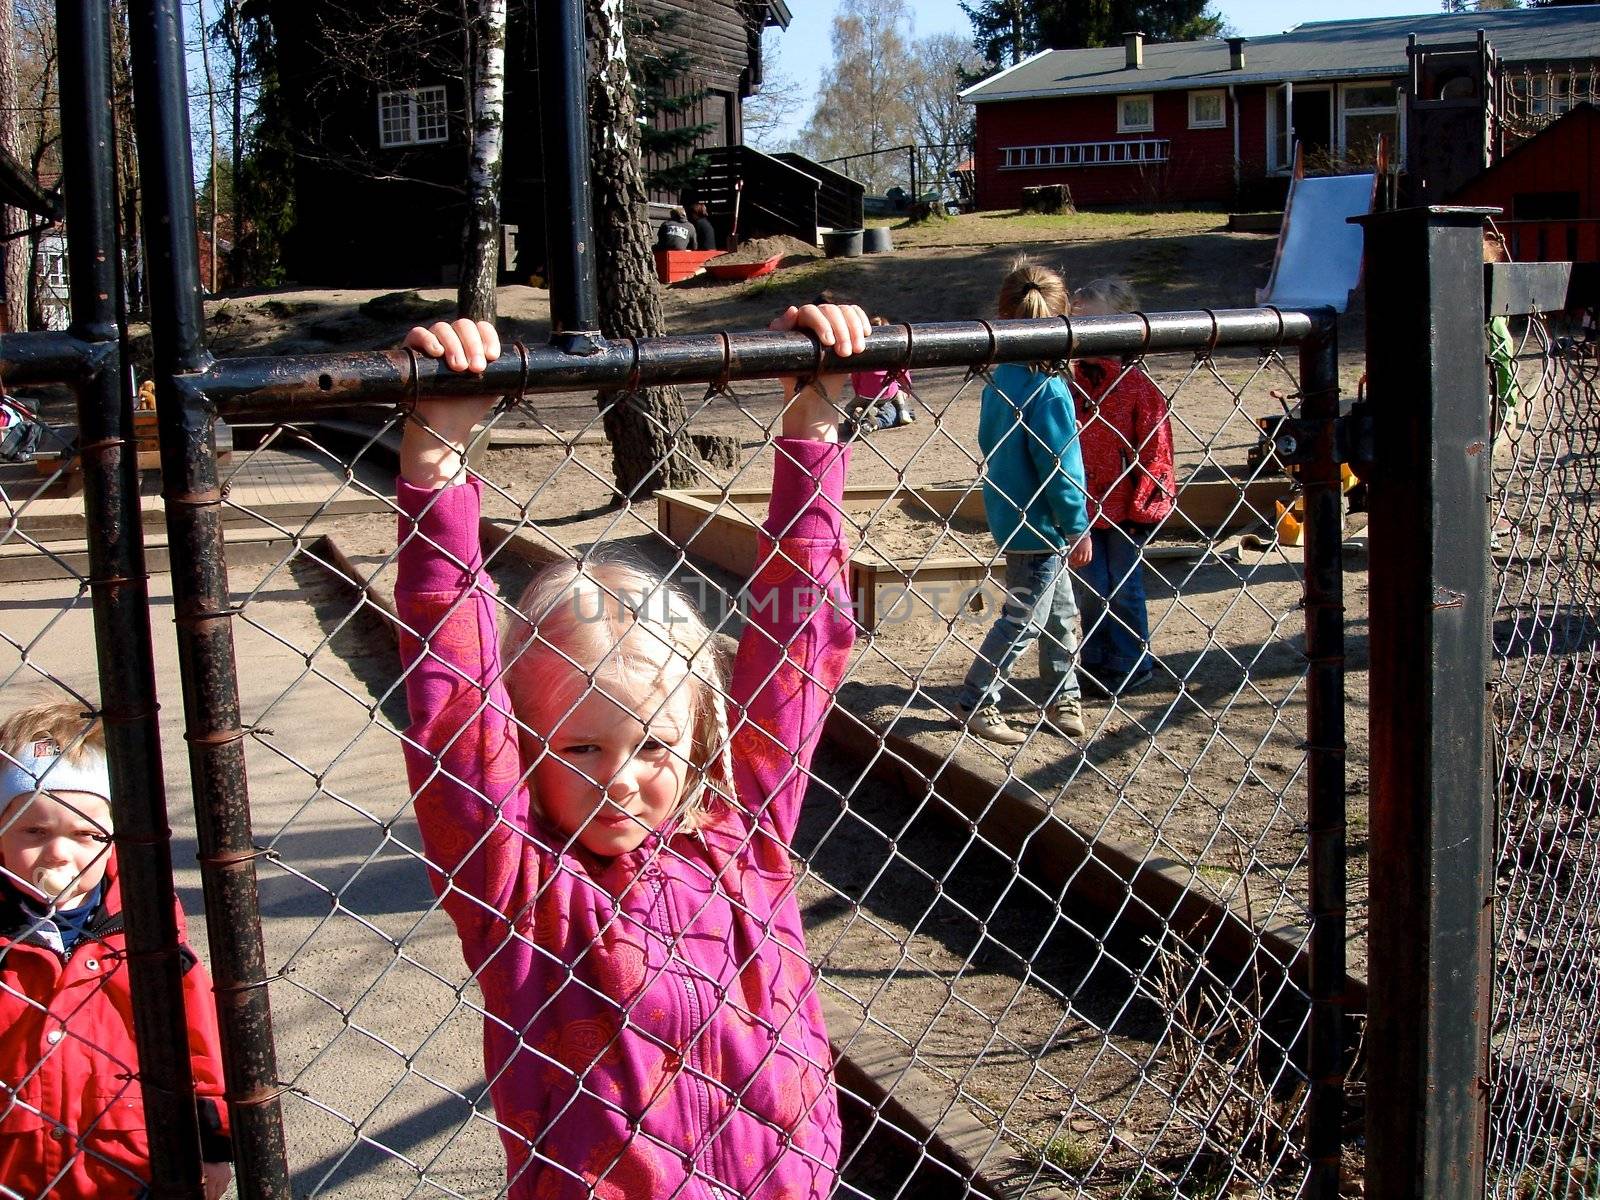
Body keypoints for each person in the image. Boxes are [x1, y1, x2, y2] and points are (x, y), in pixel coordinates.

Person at [394, 303, 869, 1200]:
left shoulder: (742, 828)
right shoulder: (520, 890)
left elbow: (800, 641)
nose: (619, 779)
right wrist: (437, 463)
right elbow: (454, 701)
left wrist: (813, 425)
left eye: (652, 742)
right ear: (522, 755)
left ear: (698, 736)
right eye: (577, 749)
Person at [0, 700, 232, 1200]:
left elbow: (197, 1038)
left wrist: (211, 1141)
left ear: (116, 840)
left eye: (87, 834)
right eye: (33, 832)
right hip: (15, 1169)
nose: (59, 853)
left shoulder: (145, 926)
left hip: (129, 1167)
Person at [954, 257, 1091, 745]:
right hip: (1045, 524)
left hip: (1010, 515)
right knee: (1025, 620)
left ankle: (1063, 695)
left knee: (1060, 615)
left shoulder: (999, 380)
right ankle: (977, 699)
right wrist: (1076, 524)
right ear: (1063, 319)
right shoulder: (1050, 390)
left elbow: (989, 444)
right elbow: (1062, 466)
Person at [1069, 278, 1175, 697]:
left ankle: (1132, 662)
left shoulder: (1136, 388)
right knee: (1091, 589)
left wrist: (1147, 505)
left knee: (1124, 588)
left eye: (1091, 320)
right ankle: (1096, 661)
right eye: (1075, 320)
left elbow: (1156, 450)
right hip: (1082, 508)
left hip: (1125, 510)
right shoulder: (1072, 384)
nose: (1080, 328)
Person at [845, 315, 917, 437]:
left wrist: (859, 392)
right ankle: (876, 421)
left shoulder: (861, 355)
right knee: (892, 411)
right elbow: (903, 373)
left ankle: (854, 418)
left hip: (864, 395)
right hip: (887, 394)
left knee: (849, 408)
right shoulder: (894, 354)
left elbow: (855, 377)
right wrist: (906, 389)